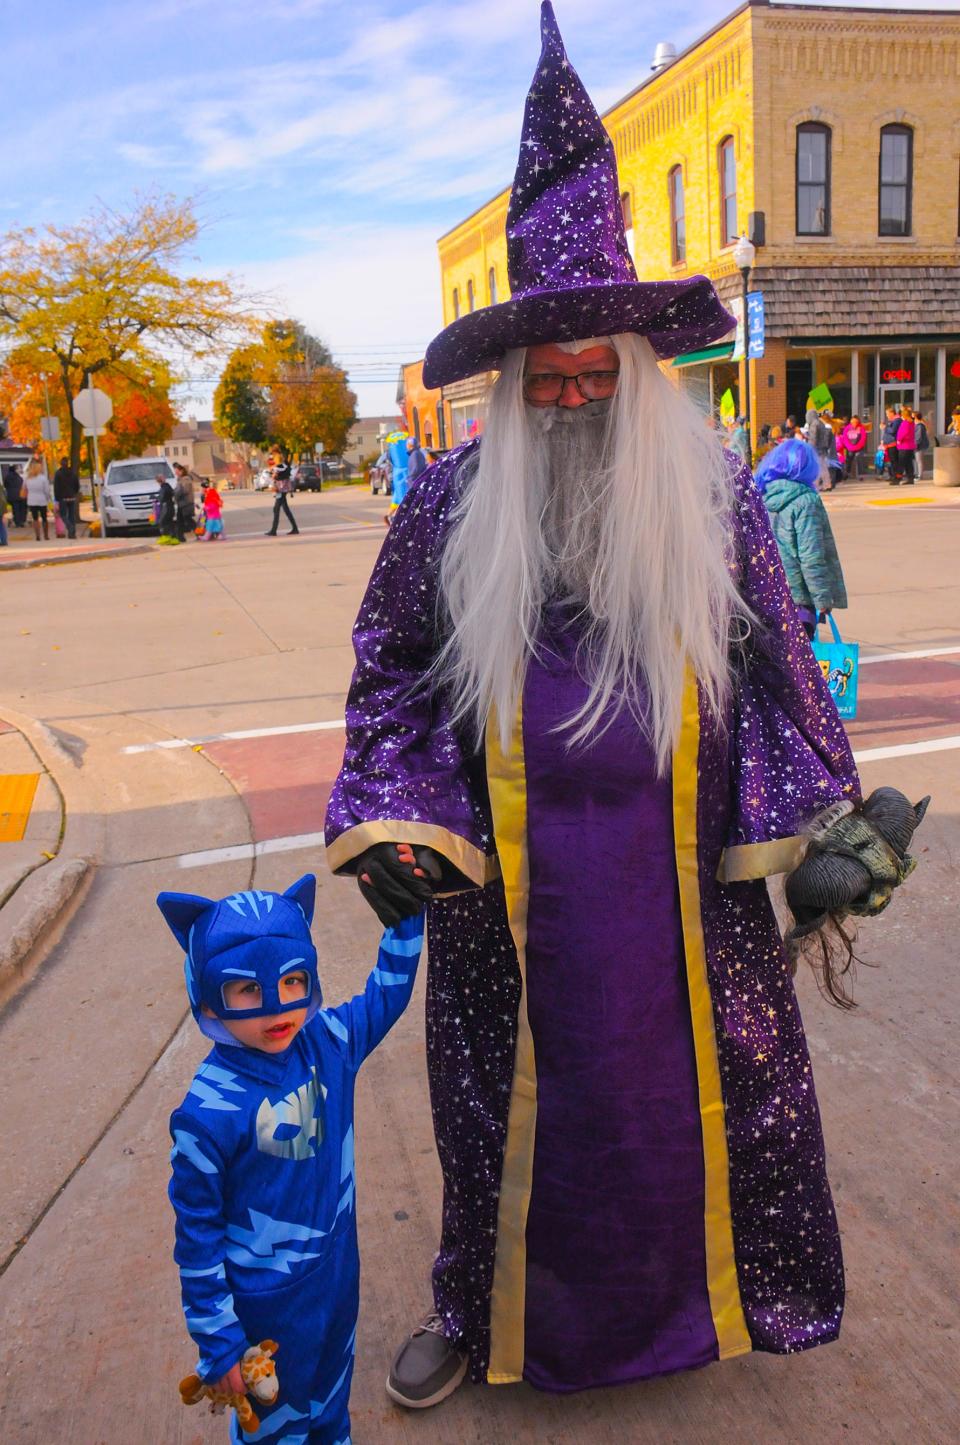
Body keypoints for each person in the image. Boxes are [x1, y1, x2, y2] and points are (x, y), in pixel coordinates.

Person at [325, 1, 923, 1412]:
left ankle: (728, 1303)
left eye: (605, 374)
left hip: (684, 886)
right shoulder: (456, 503)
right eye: (556, 379)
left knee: (699, 1108)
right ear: (519, 382)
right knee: (498, 1117)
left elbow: (777, 673)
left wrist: (823, 828)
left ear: (644, 372)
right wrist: (398, 817)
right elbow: (390, 674)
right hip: (509, 903)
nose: (582, 397)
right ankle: (477, 1314)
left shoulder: (714, 497)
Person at [159, 876, 424, 1445]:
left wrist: (406, 919)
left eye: (292, 981)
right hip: (265, 1315)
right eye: (247, 992)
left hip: (335, 1277)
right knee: (275, 1428)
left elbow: (388, 992)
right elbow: (197, 1238)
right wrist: (219, 1338)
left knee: (330, 1403)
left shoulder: (327, 1040)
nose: (277, 1007)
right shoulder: (207, 1113)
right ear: (207, 997)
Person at [755, 438, 847, 639]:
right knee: (799, 663)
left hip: (765, 594)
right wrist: (822, 598)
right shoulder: (806, 501)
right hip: (797, 598)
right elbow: (810, 555)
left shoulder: (761, 496)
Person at [265, 454, 299, 536]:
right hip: (284, 490)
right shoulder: (285, 467)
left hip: (280, 490)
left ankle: (274, 530)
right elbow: (285, 476)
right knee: (285, 509)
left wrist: (273, 476)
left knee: (276, 509)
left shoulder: (279, 468)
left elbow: (276, 477)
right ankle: (295, 528)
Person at [52, 456, 81, 539]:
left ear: (61, 464)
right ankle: (72, 534)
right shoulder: (72, 473)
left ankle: (70, 527)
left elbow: (56, 487)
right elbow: (77, 485)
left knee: (63, 515)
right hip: (71, 497)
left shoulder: (58, 473)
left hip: (62, 498)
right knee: (72, 516)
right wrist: (74, 493)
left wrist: (57, 498)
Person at [24, 457, 51, 540]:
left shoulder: (27, 478)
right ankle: (46, 535)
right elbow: (46, 490)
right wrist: (48, 498)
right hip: (42, 499)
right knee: (44, 518)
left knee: (35, 518)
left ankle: (37, 536)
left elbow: (25, 488)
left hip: (32, 500)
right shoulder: (43, 478)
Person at [173, 463, 196, 542]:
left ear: (181, 471)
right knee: (180, 521)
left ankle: (199, 532)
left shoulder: (186, 479)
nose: (176, 473)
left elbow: (184, 490)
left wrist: (176, 494)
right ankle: (180, 537)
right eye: (175, 471)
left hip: (186, 503)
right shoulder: (180, 480)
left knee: (188, 520)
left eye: (177, 471)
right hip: (181, 504)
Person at [896, 406, 917, 485]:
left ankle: (897, 478)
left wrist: (899, 440)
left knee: (901, 463)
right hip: (910, 446)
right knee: (909, 463)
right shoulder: (912, 422)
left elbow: (903, 433)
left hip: (904, 445)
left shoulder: (905, 423)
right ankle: (910, 478)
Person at [881, 405, 901, 483]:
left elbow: (893, 431)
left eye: (887, 414)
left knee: (894, 461)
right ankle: (892, 475)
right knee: (891, 461)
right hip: (889, 444)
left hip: (893, 444)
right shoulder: (892, 421)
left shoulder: (897, 421)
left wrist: (885, 427)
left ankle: (896, 477)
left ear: (892, 413)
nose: (887, 416)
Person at [156, 475, 179, 543]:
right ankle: (173, 538)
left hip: (166, 507)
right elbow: (171, 494)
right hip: (170, 506)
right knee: (170, 522)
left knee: (163, 521)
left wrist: (156, 498)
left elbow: (162, 498)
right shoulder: (167, 486)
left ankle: (166, 537)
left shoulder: (164, 487)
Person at [3, 464, 26, 528]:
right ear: (15, 470)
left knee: (15, 509)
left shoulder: (7, 477)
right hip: (19, 495)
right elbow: (22, 484)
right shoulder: (19, 477)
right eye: (18, 469)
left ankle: (17, 522)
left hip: (12, 496)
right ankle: (21, 522)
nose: (19, 470)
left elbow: (5, 485)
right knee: (21, 509)